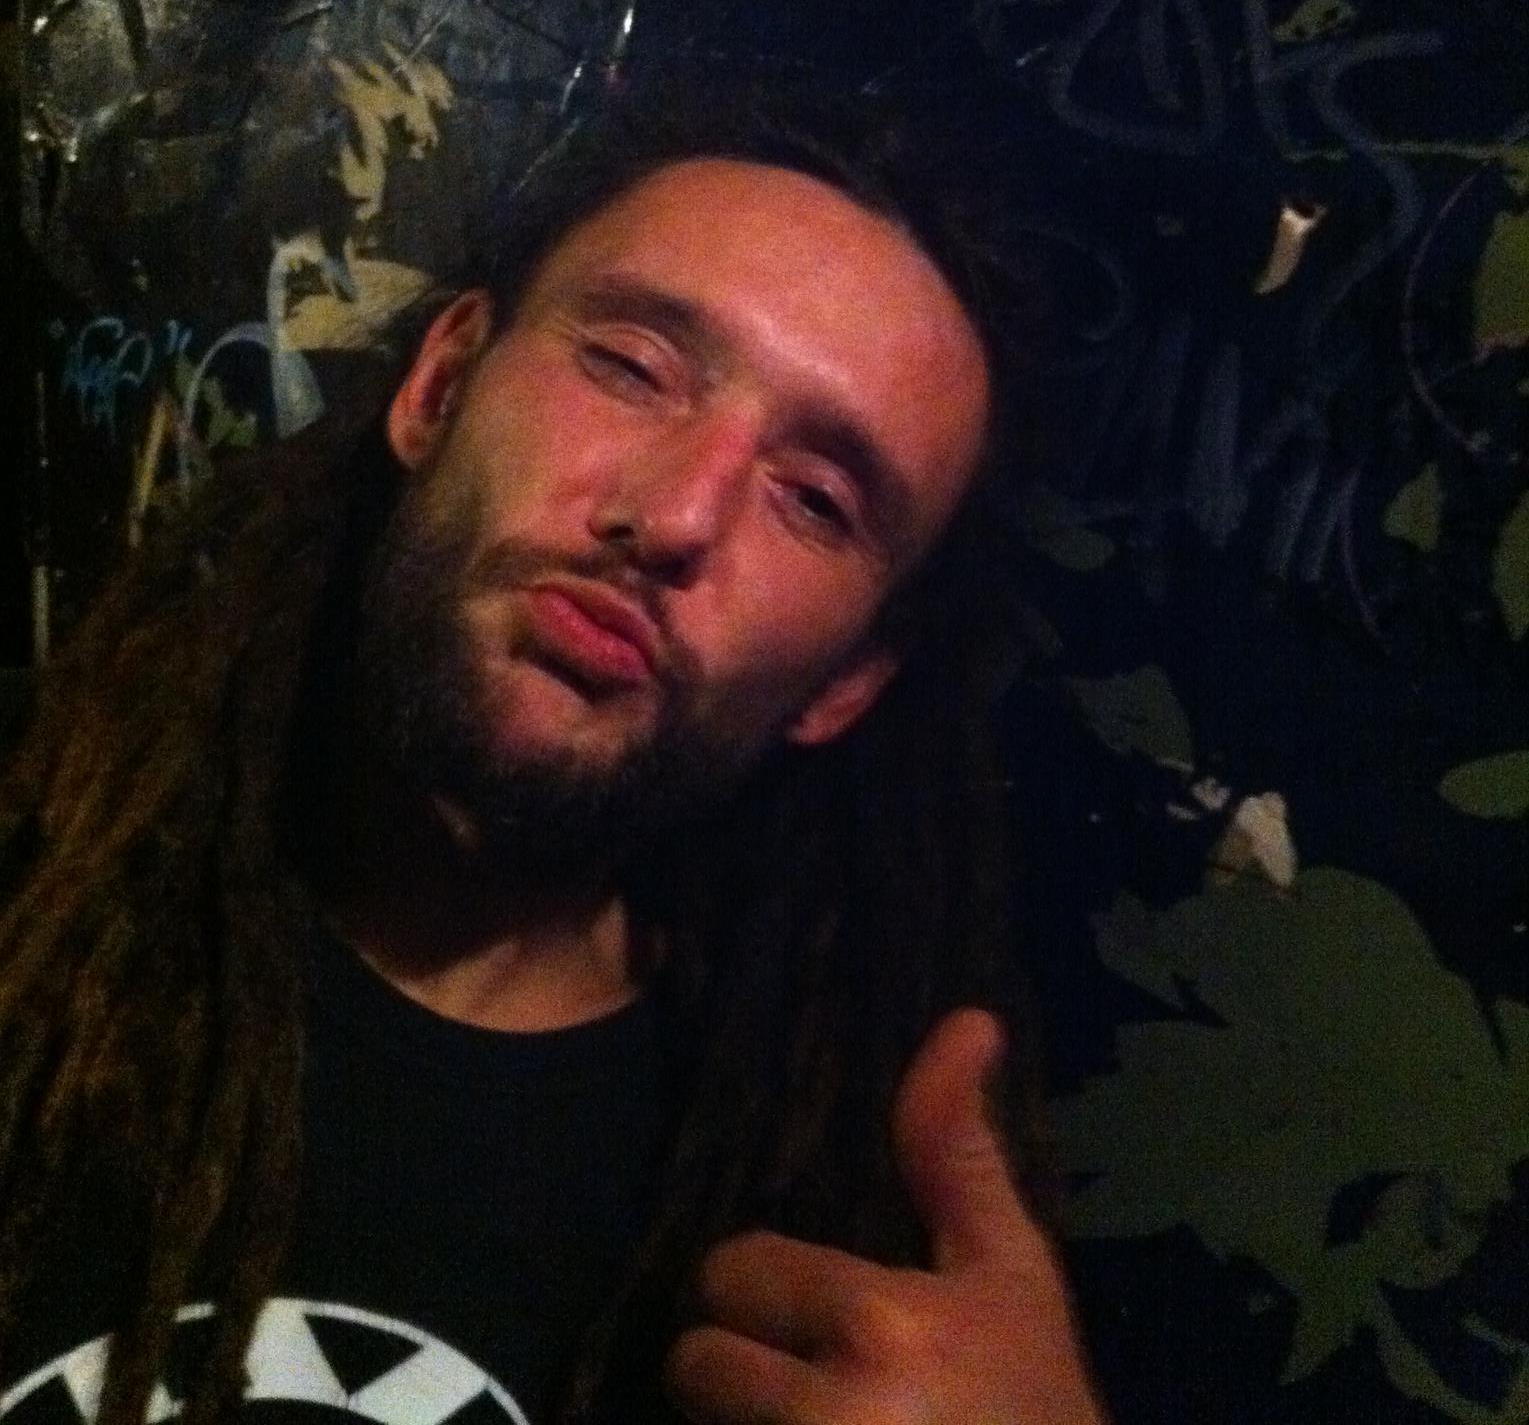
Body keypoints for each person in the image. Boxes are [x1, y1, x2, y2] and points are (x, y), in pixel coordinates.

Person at [0, 85, 1107, 1425]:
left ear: (845, 684)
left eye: (815, 500)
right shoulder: (33, 901)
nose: (677, 515)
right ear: (440, 385)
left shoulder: (822, 1213)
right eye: (632, 368)